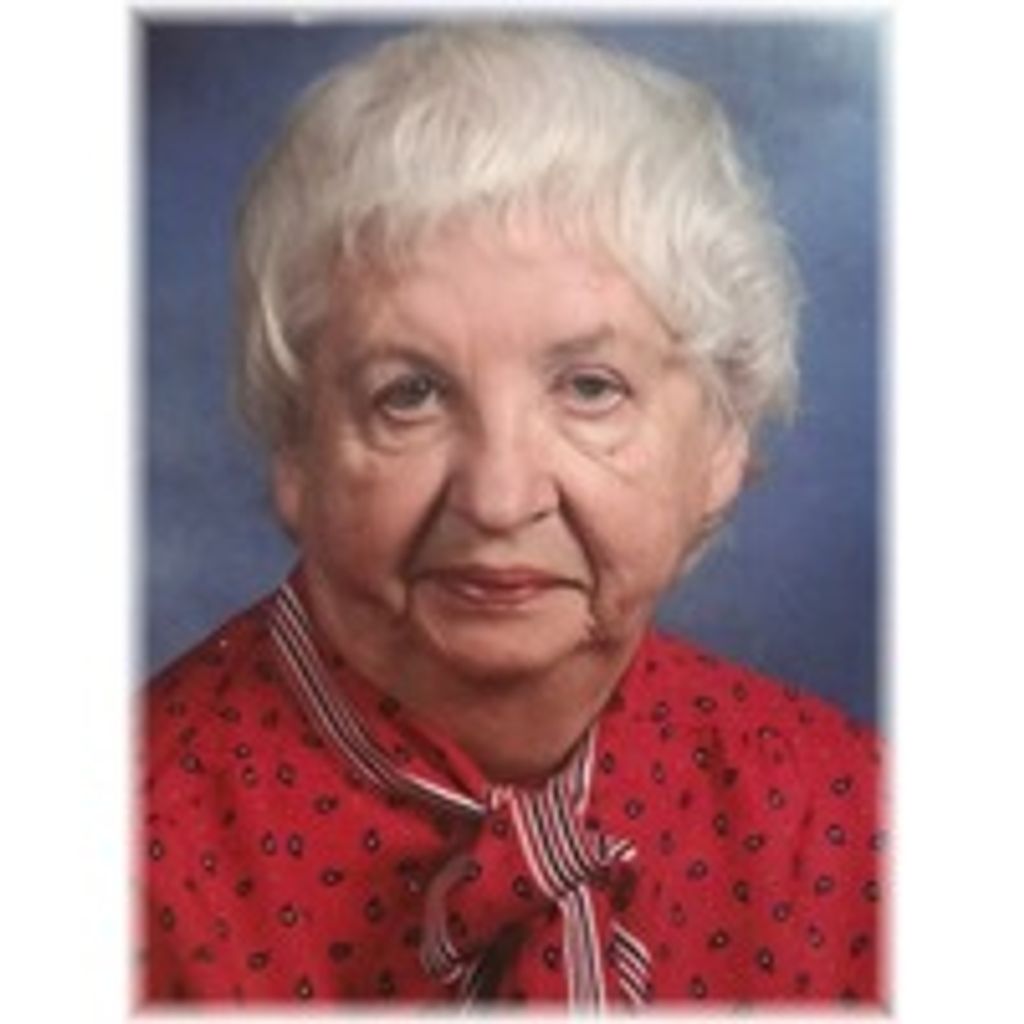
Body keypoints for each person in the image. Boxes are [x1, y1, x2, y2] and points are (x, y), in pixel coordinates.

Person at [140, 23, 884, 1008]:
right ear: (297, 453)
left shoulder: (856, 821)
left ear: (719, 446)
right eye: (409, 395)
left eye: (589, 387)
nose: (497, 497)